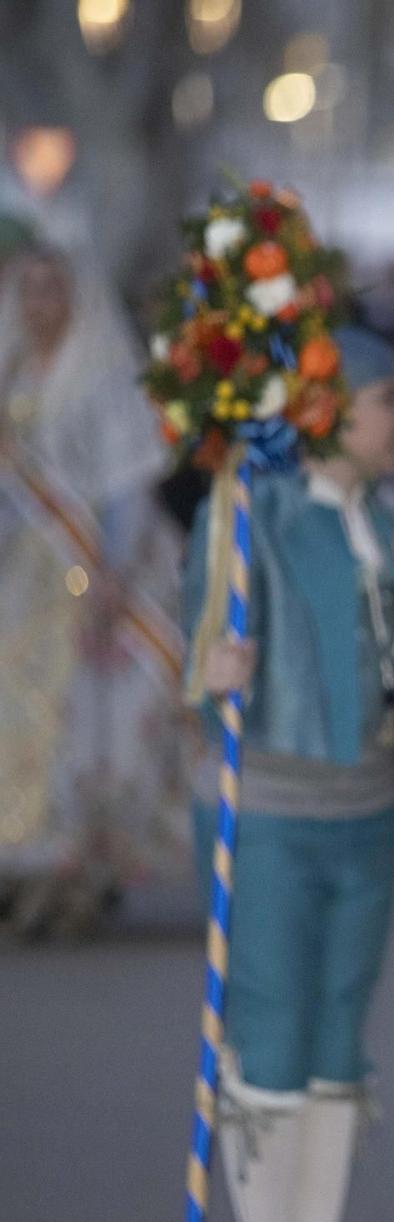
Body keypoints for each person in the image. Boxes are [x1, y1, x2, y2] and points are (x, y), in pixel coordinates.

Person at [187, 326, 394, 1222]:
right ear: (327, 413)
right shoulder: (251, 515)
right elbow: (198, 644)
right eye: (388, 401)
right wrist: (210, 667)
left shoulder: (391, 531)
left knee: (336, 1039)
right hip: (270, 810)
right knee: (268, 1027)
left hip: (365, 813)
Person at [0, 244, 191, 938]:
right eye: (31, 291)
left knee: (89, 724)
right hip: (25, 573)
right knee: (19, 719)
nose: (39, 305)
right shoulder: (14, 367)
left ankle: (79, 869)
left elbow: (126, 483)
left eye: (54, 291)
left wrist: (111, 571)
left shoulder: (104, 376)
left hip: (99, 573)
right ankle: (22, 861)